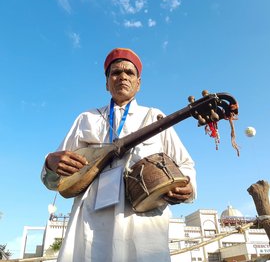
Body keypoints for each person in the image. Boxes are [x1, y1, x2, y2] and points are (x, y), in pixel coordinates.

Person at [41, 48, 197, 262]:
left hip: (142, 224)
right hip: (90, 223)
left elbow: (186, 164)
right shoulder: (86, 119)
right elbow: (53, 180)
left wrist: (188, 187)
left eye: (129, 73)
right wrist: (50, 162)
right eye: (115, 72)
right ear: (106, 83)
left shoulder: (155, 117)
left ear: (138, 83)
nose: (122, 76)